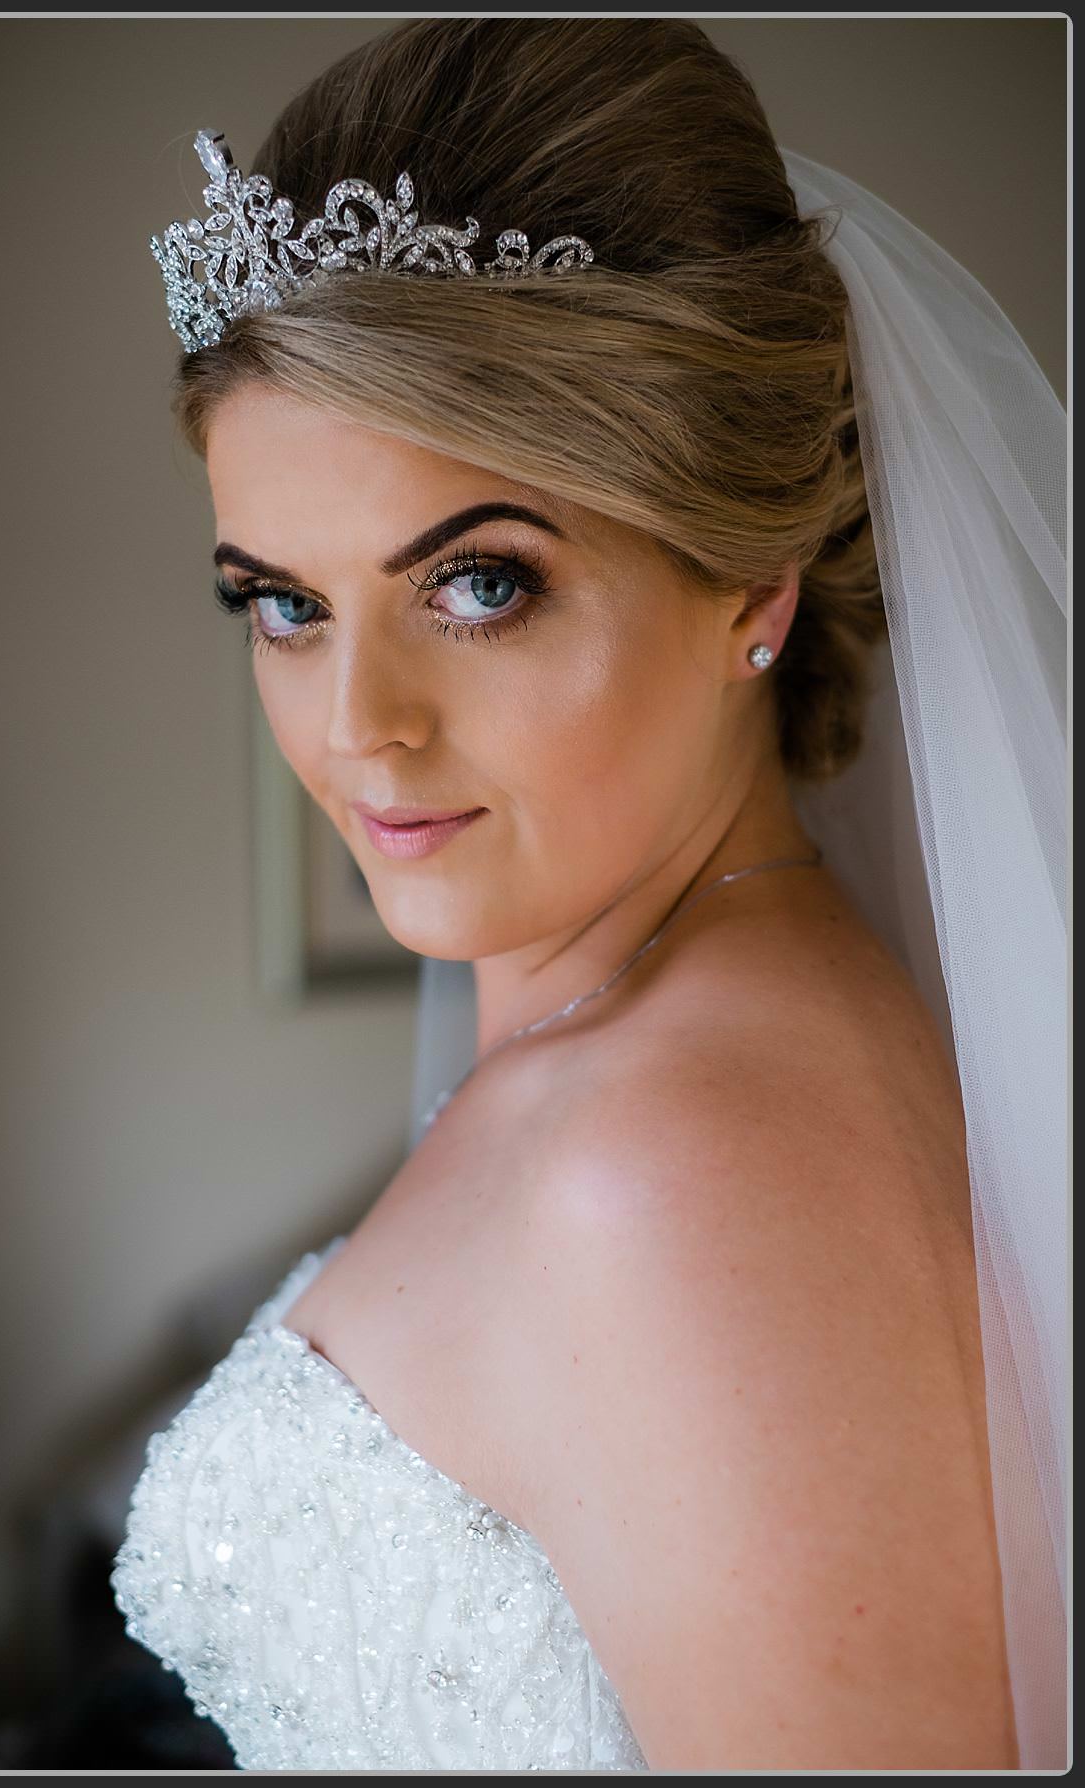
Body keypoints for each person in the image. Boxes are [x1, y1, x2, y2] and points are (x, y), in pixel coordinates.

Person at [114, 17, 1064, 1771]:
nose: (358, 729)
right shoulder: (687, 1040)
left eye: (479, 586)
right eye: (281, 602)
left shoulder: (683, 1170)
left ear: (749, 581)